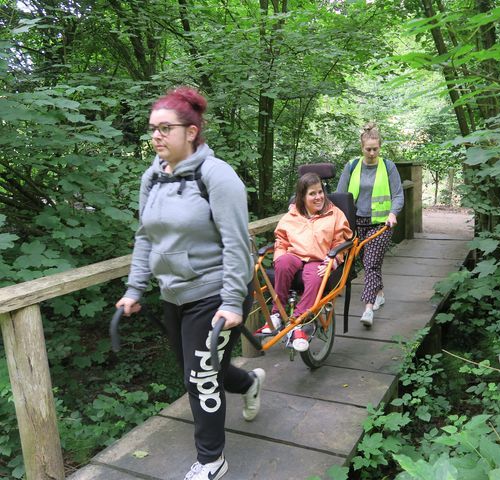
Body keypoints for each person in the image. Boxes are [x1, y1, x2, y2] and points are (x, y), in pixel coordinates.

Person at [115, 86, 264, 480]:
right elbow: (145, 236)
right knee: (199, 371)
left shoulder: (218, 176)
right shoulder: (153, 175)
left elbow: (236, 243)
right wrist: (134, 289)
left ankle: (212, 459)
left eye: (166, 128)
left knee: (199, 379)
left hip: (216, 292)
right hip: (174, 292)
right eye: (153, 128)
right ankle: (248, 381)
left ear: (192, 131)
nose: (156, 136)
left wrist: (232, 301)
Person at [257, 172, 352, 351]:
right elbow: (281, 242)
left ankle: (298, 324)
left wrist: (333, 261)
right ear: (302, 196)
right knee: (283, 263)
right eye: (312, 194)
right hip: (294, 255)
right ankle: (278, 314)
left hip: (319, 258)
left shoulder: (334, 214)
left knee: (315, 277)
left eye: (320, 192)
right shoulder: (292, 215)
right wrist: (279, 257)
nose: (318, 197)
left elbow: (342, 243)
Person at [336, 123, 404, 328]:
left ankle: (368, 308)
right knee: (368, 262)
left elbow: (398, 194)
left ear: (380, 147)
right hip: (356, 224)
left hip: (381, 224)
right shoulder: (352, 166)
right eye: (368, 149)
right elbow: (339, 195)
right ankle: (380, 293)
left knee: (371, 263)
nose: (372, 153)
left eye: (376, 148)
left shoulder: (388, 166)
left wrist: (393, 213)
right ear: (362, 147)